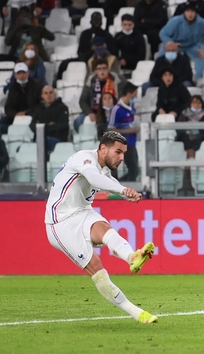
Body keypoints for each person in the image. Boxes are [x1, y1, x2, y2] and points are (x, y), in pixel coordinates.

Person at [44, 131, 158, 324]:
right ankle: (135, 312)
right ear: (103, 148)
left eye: (124, 153)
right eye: (118, 152)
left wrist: (126, 193)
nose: (122, 157)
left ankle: (133, 257)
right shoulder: (84, 159)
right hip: (60, 223)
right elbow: (95, 179)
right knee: (97, 267)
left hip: (82, 212)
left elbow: (109, 182)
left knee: (105, 229)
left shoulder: (104, 170)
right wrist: (122, 190)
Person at [158, 3, 204, 79]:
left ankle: (200, 80)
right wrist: (171, 42)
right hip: (175, 44)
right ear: (184, 12)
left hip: (191, 45)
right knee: (161, 58)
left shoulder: (202, 23)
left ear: (196, 12)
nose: (190, 14)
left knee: (200, 56)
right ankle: (159, 78)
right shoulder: (175, 21)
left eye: (192, 11)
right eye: (187, 11)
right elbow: (162, 33)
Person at [76, 59, 121, 132]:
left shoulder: (116, 80)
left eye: (104, 68)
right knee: (78, 122)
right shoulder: (90, 81)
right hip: (94, 111)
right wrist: (90, 112)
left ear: (108, 69)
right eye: (99, 69)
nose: (102, 71)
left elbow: (122, 97)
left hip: (113, 110)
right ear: (95, 71)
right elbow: (82, 100)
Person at [107, 83, 139, 181]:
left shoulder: (132, 107)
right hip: (122, 144)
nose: (137, 96)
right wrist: (130, 130)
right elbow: (111, 129)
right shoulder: (116, 109)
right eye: (135, 94)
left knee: (134, 171)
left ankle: (120, 186)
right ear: (129, 93)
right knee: (133, 170)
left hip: (132, 143)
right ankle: (121, 188)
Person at [29, 85, 69, 155]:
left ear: (55, 94)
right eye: (46, 93)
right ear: (42, 96)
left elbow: (63, 125)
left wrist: (42, 127)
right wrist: (49, 125)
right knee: (21, 148)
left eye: (51, 92)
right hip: (40, 139)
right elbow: (32, 126)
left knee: (43, 142)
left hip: (57, 139)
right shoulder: (38, 109)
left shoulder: (62, 108)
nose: (49, 95)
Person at [177, 95, 204, 159]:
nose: (196, 104)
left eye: (198, 102)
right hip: (185, 138)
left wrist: (196, 136)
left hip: (199, 138)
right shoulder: (184, 114)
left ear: (202, 104)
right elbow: (179, 129)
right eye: (194, 102)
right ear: (190, 104)